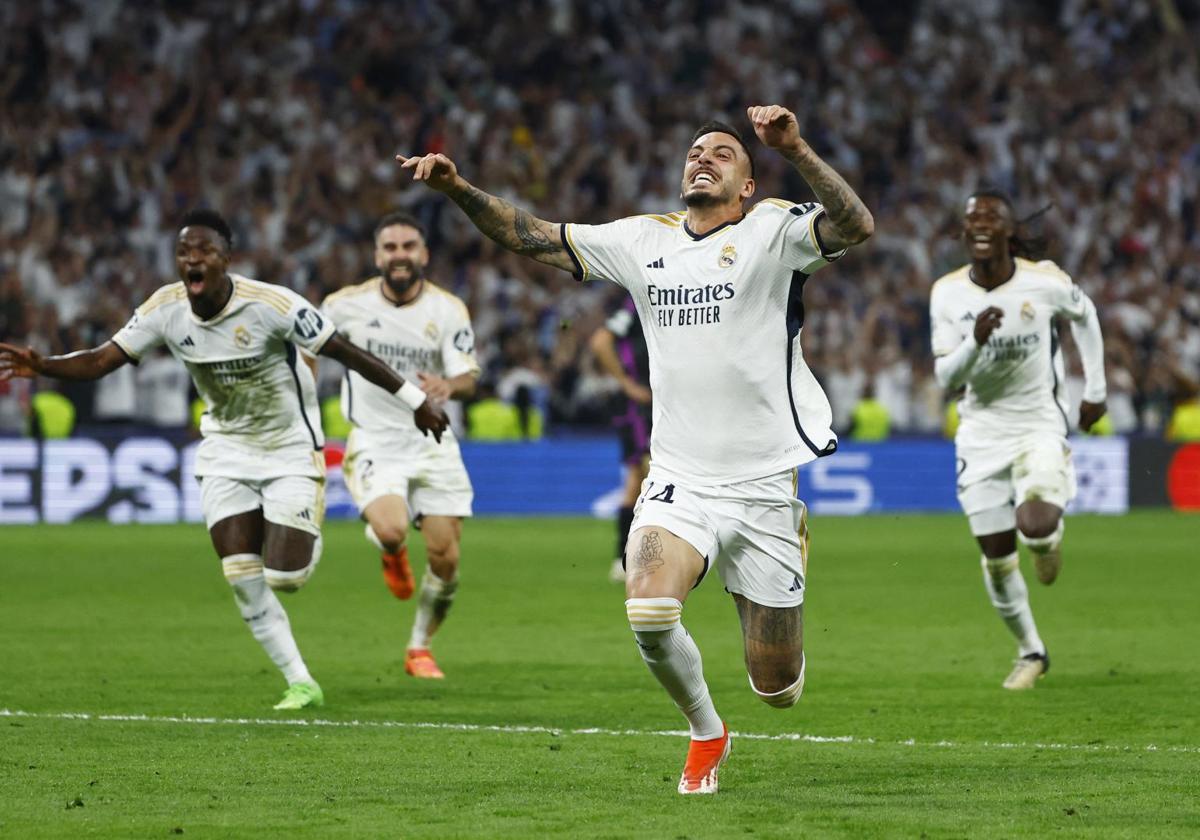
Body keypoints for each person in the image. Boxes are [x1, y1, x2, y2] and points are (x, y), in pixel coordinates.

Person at [398, 104, 874, 794]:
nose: (702, 157)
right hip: (679, 474)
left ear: (747, 185)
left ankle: (787, 542)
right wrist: (457, 188)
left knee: (779, 691)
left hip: (765, 481)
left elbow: (857, 226)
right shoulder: (641, 241)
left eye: (722, 153)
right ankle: (707, 730)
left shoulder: (776, 228)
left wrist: (795, 147)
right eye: (693, 151)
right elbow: (532, 237)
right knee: (649, 610)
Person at [0, 209, 448, 709]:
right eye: (184, 253)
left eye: (204, 251)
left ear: (226, 259)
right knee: (239, 572)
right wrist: (44, 367)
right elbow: (104, 359)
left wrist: (417, 402)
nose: (192, 260)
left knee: (286, 577)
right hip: (224, 451)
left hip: (288, 449)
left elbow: (349, 354)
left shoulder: (272, 306)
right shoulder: (165, 309)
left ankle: (308, 532)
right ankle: (300, 681)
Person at [930, 188, 1106, 690]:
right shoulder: (947, 293)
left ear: (1008, 229)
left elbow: (1086, 316)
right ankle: (1031, 650)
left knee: (1035, 524)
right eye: (972, 217)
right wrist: (975, 342)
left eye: (991, 215)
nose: (981, 222)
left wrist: (1094, 390)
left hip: (1036, 424)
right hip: (980, 434)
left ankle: (1047, 541)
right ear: (965, 233)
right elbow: (946, 377)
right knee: (996, 556)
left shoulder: (1043, 282)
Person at [318, 211, 480, 679]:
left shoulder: (447, 309)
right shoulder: (344, 305)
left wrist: (450, 386)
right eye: (390, 247)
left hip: (432, 441)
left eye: (409, 246)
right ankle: (391, 551)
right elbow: (306, 346)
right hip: (374, 438)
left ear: (424, 254)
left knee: (446, 559)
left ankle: (419, 648)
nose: (400, 255)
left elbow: (468, 373)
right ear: (376, 255)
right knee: (391, 529)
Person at [590, 296, 652, 583]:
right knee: (648, 475)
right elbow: (601, 341)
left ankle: (625, 557)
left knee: (638, 481)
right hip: (640, 406)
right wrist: (626, 383)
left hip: (658, 402)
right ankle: (632, 557)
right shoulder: (633, 305)